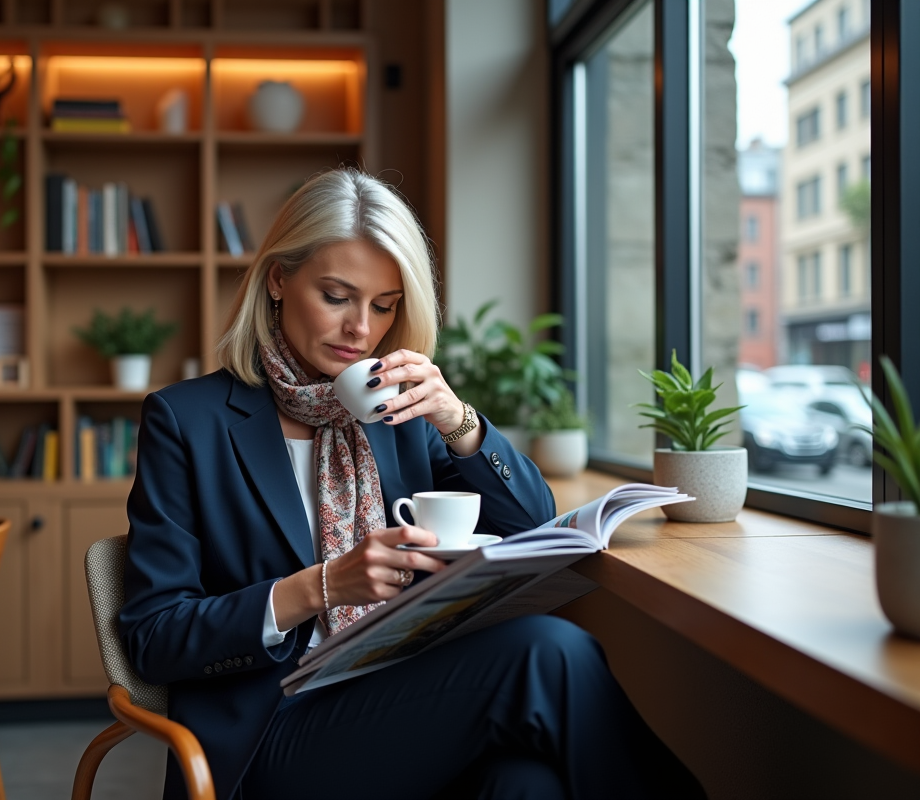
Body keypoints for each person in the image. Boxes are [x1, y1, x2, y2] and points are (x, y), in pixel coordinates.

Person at [118, 169, 706, 800]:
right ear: (278, 280)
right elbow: (155, 637)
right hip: (269, 735)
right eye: (337, 296)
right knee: (547, 654)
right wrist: (319, 587)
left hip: (403, 695)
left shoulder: (396, 415)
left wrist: (459, 422)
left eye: (384, 305)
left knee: (524, 783)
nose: (361, 330)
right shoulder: (188, 421)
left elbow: (533, 528)